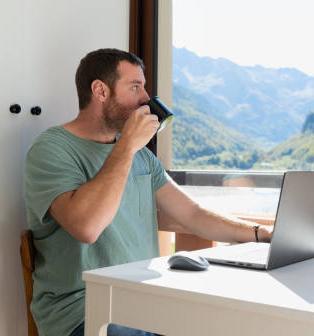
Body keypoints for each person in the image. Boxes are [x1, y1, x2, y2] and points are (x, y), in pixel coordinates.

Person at [24, 48, 272, 336]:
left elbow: (192, 213)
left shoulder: (141, 156)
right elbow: (87, 227)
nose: (145, 98)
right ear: (100, 91)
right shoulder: (52, 148)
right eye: (135, 87)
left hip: (144, 300)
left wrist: (259, 233)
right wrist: (126, 145)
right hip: (84, 311)